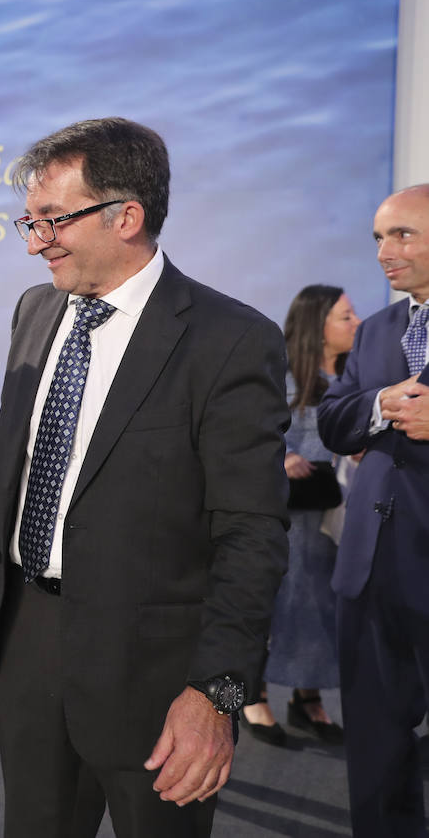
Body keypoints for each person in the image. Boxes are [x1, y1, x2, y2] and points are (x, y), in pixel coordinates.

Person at [0, 117, 289, 837]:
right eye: (30, 221)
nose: (36, 240)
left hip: (159, 675)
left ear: (126, 216)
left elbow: (251, 535)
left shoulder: (229, 341)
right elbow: (13, 461)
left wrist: (218, 695)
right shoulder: (35, 311)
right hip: (30, 637)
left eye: (53, 220)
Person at [317, 183, 429, 836]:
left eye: (403, 235)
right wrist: (381, 405)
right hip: (369, 570)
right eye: (379, 238)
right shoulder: (378, 331)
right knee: (377, 749)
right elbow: (334, 419)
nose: (385, 252)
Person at [241, 285, 358, 747]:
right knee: (277, 604)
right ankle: (254, 697)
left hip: (341, 515)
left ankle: (307, 700)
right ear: (318, 326)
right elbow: (252, 428)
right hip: (291, 516)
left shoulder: (357, 373)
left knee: (323, 608)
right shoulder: (283, 373)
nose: (358, 323)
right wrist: (284, 455)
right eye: (346, 317)